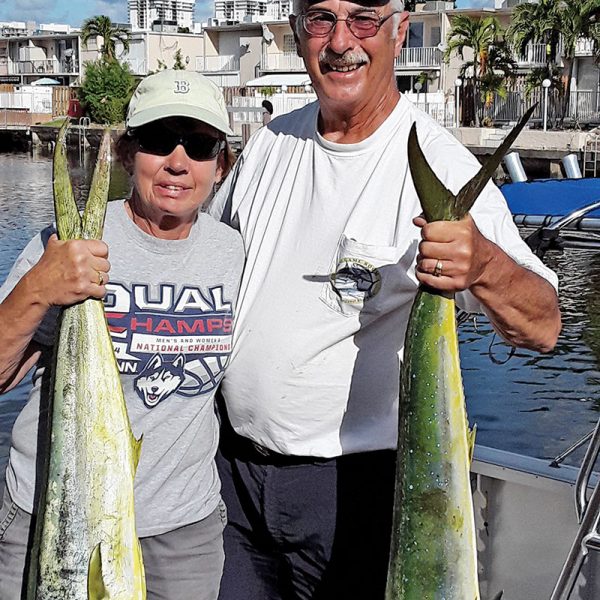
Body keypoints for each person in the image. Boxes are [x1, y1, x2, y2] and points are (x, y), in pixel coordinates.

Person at [208, 0, 562, 599]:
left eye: (364, 18)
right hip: (232, 478)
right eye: (321, 18)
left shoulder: (439, 159)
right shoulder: (270, 143)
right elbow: (208, 270)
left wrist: (483, 263)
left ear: (399, 32)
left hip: (354, 494)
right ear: (298, 34)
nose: (341, 40)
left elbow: (544, 325)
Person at [0, 69, 244, 600]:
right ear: (130, 152)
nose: (178, 162)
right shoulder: (64, 246)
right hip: (53, 518)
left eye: (200, 146)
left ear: (220, 165)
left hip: (181, 534)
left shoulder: (234, 254)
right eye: (159, 141)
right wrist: (38, 288)